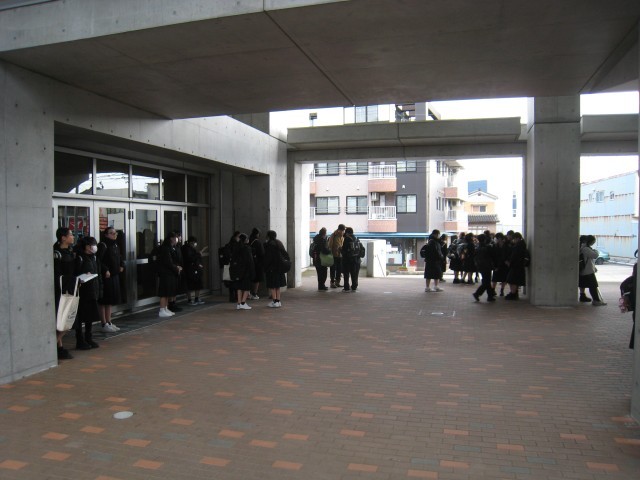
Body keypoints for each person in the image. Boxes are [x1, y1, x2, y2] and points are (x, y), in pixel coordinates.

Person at [73, 237, 102, 350]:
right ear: (86, 246)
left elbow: (98, 273)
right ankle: (80, 339)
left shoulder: (94, 257)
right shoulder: (79, 257)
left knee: (90, 316)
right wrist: (84, 274)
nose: (94, 247)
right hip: (83, 291)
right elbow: (75, 273)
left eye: (94, 244)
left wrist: (99, 290)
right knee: (81, 316)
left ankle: (89, 337)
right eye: (91, 245)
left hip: (92, 290)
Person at [53, 227, 75, 360]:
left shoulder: (70, 251)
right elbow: (57, 274)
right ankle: (55, 346)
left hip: (70, 288)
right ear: (63, 238)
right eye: (70, 235)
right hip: (61, 290)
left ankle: (58, 346)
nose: (73, 237)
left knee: (67, 321)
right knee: (63, 320)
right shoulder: (57, 253)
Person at [97, 227, 124, 332]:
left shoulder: (115, 245)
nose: (114, 235)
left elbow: (119, 257)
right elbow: (98, 260)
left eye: (115, 233)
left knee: (110, 300)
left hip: (114, 275)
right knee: (104, 300)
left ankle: (109, 322)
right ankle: (103, 323)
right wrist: (105, 270)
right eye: (111, 233)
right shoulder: (103, 245)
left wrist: (122, 265)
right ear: (106, 235)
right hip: (106, 277)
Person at [157, 232, 183, 317]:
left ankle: (165, 308)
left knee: (168, 292)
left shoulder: (172, 247)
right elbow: (168, 262)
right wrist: (176, 268)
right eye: (175, 238)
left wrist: (177, 267)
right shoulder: (165, 248)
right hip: (165, 273)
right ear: (171, 238)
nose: (177, 239)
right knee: (164, 292)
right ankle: (162, 309)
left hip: (171, 273)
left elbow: (174, 260)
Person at [579, 235, 607, 306]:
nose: (593, 243)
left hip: (583, 270)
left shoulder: (582, 247)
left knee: (582, 284)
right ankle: (596, 300)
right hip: (588, 271)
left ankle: (582, 297)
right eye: (593, 242)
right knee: (593, 286)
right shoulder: (586, 249)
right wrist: (596, 251)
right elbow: (595, 255)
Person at [230, 233, 255, 310]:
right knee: (247, 287)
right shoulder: (247, 248)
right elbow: (250, 261)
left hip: (238, 272)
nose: (248, 240)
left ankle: (239, 303)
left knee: (239, 288)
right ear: (245, 240)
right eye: (247, 238)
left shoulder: (236, 247)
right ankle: (243, 303)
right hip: (246, 271)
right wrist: (252, 271)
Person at [263, 230, 288, 307]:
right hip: (279, 268)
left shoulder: (269, 245)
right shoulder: (279, 243)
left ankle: (274, 301)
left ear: (268, 236)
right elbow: (285, 254)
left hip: (272, 268)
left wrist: (265, 267)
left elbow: (268, 258)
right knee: (277, 285)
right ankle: (278, 301)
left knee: (272, 285)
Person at [504, 232, 530, 300]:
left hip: (516, 265)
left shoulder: (519, 246)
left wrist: (510, 263)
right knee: (513, 280)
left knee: (512, 280)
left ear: (517, 238)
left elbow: (515, 256)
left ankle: (513, 293)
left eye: (514, 239)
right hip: (518, 265)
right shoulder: (521, 244)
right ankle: (514, 293)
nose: (513, 240)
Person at [472, 234, 496, 302]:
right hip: (487, 266)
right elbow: (492, 256)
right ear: (485, 239)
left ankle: (490, 296)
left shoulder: (477, 247)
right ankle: (477, 293)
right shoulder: (487, 247)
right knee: (486, 282)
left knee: (486, 281)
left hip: (480, 266)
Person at [182, 236, 205, 305]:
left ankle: (196, 298)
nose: (195, 244)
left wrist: (199, 263)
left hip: (195, 268)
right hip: (189, 269)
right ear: (191, 242)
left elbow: (195, 258)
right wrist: (198, 254)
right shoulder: (186, 249)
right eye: (194, 243)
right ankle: (190, 299)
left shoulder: (191, 249)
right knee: (189, 285)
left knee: (198, 283)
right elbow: (190, 258)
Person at [341, 227, 362, 292]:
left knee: (346, 273)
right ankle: (354, 286)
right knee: (353, 273)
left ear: (347, 233)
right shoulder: (356, 238)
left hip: (347, 259)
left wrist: (340, 249)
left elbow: (344, 249)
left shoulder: (347, 239)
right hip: (355, 258)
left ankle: (346, 287)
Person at [168, 231, 184, 312]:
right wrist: (176, 267)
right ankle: (171, 304)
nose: (178, 239)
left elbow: (179, 258)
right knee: (171, 289)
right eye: (177, 237)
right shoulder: (168, 248)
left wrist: (180, 266)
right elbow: (170, 261)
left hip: (177, 268)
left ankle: (174, 303)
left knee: (175, 288)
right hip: (172, 270)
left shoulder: (177, 247)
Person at [328, 224, 345, 288]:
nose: (343, 232)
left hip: (340, 255)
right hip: (333, 255)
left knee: (339, 269)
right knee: (333, 269)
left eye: (343, 230)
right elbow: (330, 245)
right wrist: (330, 253)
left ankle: (337, 282)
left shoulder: (342, 236)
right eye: (342, 230)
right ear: (338, 230)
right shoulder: (333, 235)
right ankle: (332, 282)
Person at [249, 228, 265, 300]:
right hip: (257, 263)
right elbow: (262, 253)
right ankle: (254, 294)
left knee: (249, 278)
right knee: (257, 279)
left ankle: (248, 293)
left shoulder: (248, 240)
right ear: (257, 234)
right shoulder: (258, 242)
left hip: (249, 262)